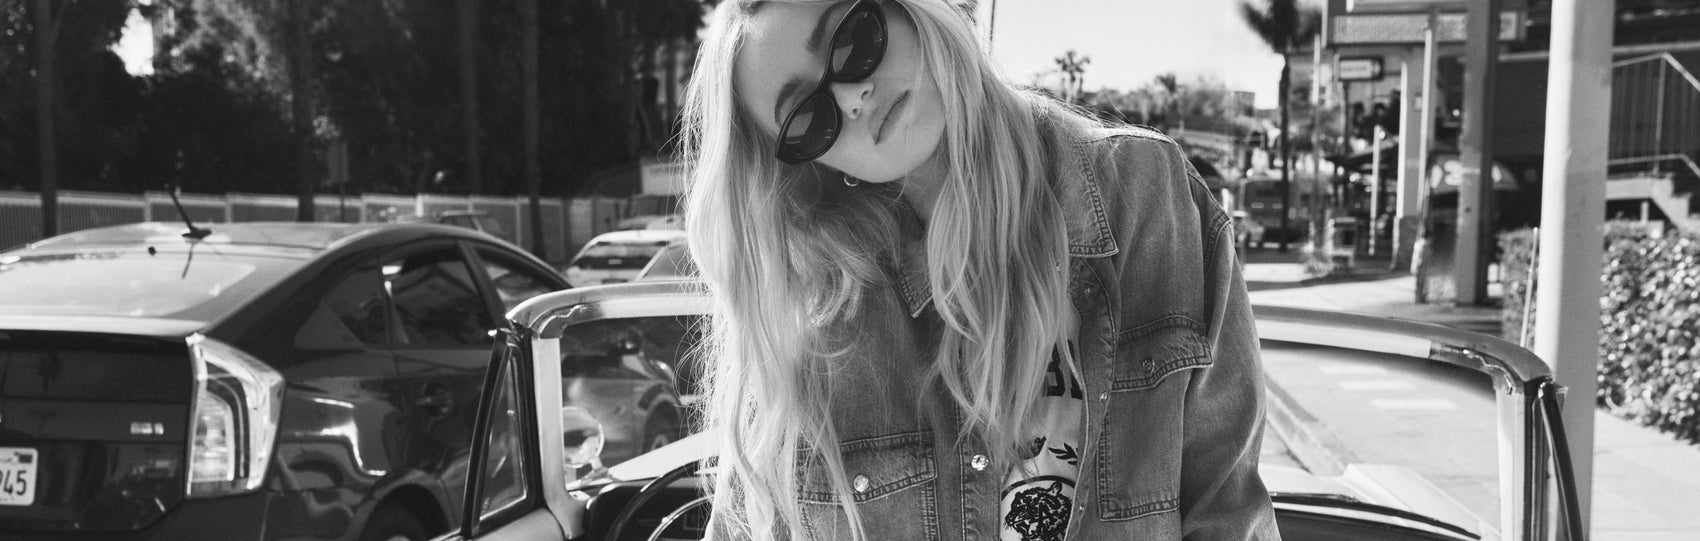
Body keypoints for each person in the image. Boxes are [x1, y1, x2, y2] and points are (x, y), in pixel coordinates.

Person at [679, 1, 1278, 539]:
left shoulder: (1143, 197)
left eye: (850, 40)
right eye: (807, 117)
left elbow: (1225, 514)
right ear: (815, 163)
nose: (851, 96)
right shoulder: (814, 317)